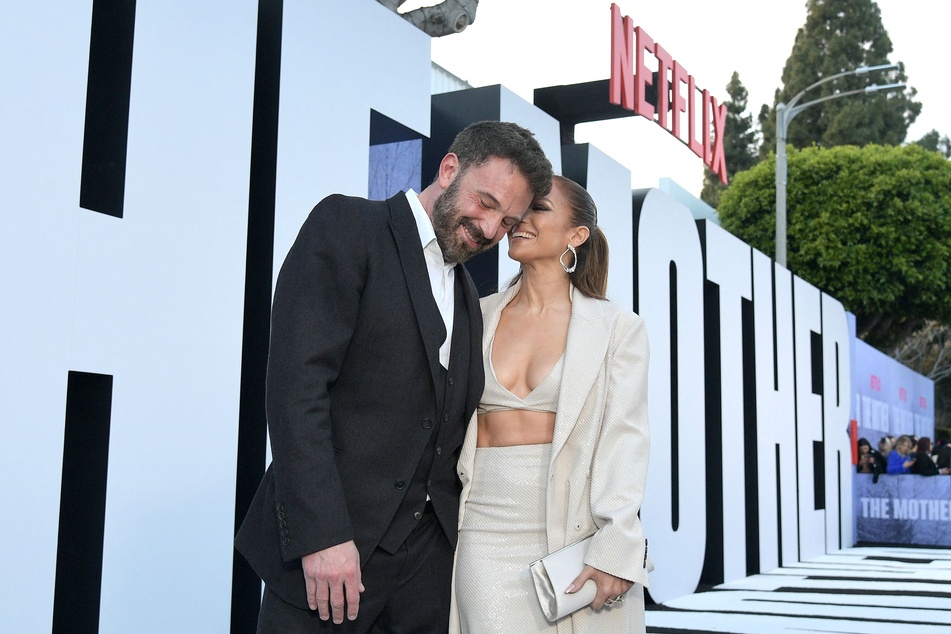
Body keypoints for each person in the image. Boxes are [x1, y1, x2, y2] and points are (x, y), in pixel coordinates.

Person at [235, 121, 553, 633]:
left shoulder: (469, 297)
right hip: (329, 569)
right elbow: (297, 391)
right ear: (449, 169)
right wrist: (321, 536)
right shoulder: (347, 227)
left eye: (507, 221)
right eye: (486, 203)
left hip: (424, 584)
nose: (491, 230)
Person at [450, 175, 651, 633]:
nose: (520, 220)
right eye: (518, 211)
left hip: (576, 534)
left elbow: (626, 437)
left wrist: (618, 540)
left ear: (576, 235)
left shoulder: (617, 327)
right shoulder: (473, 316)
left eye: (538, 208)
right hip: (483, 530)